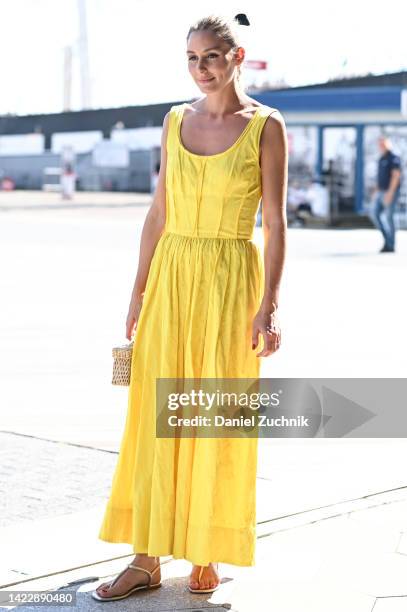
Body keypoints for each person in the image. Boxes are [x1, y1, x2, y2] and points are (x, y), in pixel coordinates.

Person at [92, 12, 287, 602]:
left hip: (232, 281)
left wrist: (269, 307)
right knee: (154, 415)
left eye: (210, 56)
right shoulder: (174, 120)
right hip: (172, 277)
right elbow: (158, 211)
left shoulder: (267, 126)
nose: (201, 69)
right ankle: (146, 557)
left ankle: (207, 547)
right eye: (192, 59)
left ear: (237, 56)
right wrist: (137, 288)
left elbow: (275, 223)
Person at [371, 136, 402, 253]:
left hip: (390, 192)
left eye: (383, 144)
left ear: (388, 144)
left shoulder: (393, 158)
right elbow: (380, 178)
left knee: (389, 217)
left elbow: (396, 176)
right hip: (380, 191)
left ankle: (391, 245)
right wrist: (376, 191)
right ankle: (387, 240)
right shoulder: (381, 159)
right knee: (375, 214)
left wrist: (390, 193)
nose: (381, 146)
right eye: (380, 144)